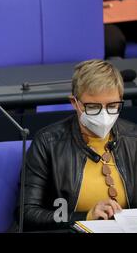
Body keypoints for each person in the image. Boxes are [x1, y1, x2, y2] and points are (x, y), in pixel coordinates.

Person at [19, 59, 137, 231]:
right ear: (75, 103)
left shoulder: (133, 138)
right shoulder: (48, 142)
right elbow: (27, 213)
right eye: (93, 107)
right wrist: (85, 217)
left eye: (112, 106)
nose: (104, 115)